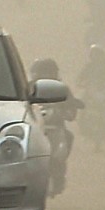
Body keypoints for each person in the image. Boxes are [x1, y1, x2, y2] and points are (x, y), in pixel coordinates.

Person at [30, 57, 83, 195]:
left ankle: (59, 175)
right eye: (42, 72)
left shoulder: (63, 89)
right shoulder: (27, 88)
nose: (45, 75)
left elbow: (71, 111)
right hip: (32, 129)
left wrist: (69, 109)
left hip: (56, 127)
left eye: (47, 72)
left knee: (68, 137)